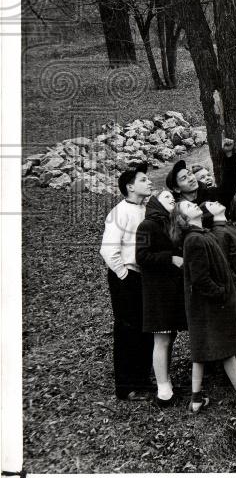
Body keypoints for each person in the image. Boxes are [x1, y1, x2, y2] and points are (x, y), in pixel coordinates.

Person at [177, 199, 236, 412]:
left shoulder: (202, 234)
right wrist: (221, 293)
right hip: (209, 305)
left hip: (208, 304)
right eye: (189, 207)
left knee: (206, 349)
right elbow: (200, 278)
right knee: (224, 348)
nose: (195, 206)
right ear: (184, 220)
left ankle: (198, 398)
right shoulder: (194, 240)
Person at [100, 163, 155, 401]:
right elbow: (108, 251)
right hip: (126, 277)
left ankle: (143, 379)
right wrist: (125, 276)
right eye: (143, 180)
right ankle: (126, 386)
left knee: (146, 328)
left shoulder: (144, 209)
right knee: (127, 330)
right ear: (130, 187)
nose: (149, 182)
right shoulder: (119, 212)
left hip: (144, 276)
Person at [135, 189, 187, 407]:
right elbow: (141, 256)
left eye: (172, 198)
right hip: (157, 292)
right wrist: (171, 258)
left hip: (172, 290)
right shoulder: (146, 225)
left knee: (170, 337)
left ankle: (167, 382)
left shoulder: (171, 223)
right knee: (162, 339)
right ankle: (163, 391)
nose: (172, 199)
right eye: (166, 197)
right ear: (155, 201)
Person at [205, 199, 236, 389]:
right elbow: (223, 264)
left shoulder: (229, 224)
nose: (216, 202)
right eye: (211, 204)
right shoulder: (219, 233)